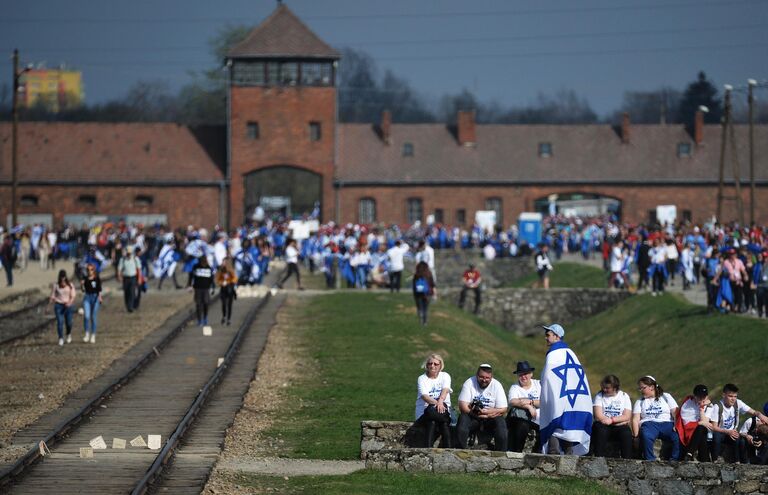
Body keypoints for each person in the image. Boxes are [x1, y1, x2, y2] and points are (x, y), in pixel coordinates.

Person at [539, 323, 592, 455]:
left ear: (556, 336)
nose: (545, 337)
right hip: (570, 395)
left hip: (560, 393)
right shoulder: (571, 353)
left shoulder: (554, 354)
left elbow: (548, 377)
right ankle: (567, 453)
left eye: (548, 335)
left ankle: (554, 453)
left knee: (555, 418)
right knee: (566, 422)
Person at [456, 364, 508, 451]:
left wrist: (486, 414)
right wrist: (476, 414)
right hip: (472, 415)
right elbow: (462, 406)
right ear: (477, 375)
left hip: (490, 417)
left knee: (501, 422)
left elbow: (503, 409)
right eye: (481, 377)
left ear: (491, 377)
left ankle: (501, 453)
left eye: (487, 378)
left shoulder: (497, 385)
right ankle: (459, 451)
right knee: (463, 419)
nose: (484, 380)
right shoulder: (469, 382)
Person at [711, 383, 768, 463]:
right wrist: (727, 431)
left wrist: (761, 416)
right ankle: (715, 460)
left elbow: (753, 411)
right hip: (721, 432)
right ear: (724, 395)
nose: (733, 399)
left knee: (740, 439)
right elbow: (714, 427)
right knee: (716, 436)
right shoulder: (717, 407)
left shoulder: (738, 403)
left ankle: (738, 462)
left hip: (732, 433)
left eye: (735, 396)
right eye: (730, 396)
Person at [631, 375, 680, 461]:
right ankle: (650, 459)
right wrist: (636, 436)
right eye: (640, 388)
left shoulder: (665, 396)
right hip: (649, 424)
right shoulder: (640, 401)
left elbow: (675, 412)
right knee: (646, 435)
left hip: (667, 423)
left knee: (676, 437)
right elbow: (635, 419)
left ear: (652, 387)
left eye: (643, 388)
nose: (641, 391)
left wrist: (676, 425)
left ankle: (674, 460)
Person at [414, 353, 452, 448]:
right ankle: (449, 447)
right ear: (427, 365)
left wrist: (440, 402)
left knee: (433, 421)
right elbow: (425, 396)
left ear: (441, 366)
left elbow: (445, 389)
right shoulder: (422, 378)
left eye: (436, 364)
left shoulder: (445, 376)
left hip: (442, 409)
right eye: (430, 363)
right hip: (425, 410)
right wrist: (437, 403)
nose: (432, 366)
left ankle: (428, 449)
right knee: (435, 415)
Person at [592, 374, 633, 459]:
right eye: (603, 387)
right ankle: (598, 458)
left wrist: (612, 420)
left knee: (626, 433)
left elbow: (627, 416)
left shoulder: (624, 396)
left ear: (615, 388)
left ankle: (627, 460)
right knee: (601, 430)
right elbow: (598, 415)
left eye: (607, 388)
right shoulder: (599, 396)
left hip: (618, 425)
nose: (604, 390)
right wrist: (614, 421)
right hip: (603, 424)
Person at [675, 384, 717, 462]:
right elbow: (686, 421)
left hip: (701, 431)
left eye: (704, 396)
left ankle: (690, 453)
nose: (701, 399)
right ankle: (705, 460)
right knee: (701, 430)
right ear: (694, 396)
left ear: (707, 396)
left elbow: (705, 422)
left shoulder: (709, 406)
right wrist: (700, 423)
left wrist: (701, 408)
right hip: (688, 431)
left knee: (702, 430)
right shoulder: (687, 404)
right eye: (699, 396)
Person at [506, 361, 541, 453]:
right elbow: (512, 401)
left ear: (531, 374)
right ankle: (517, 452)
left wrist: (530, 401)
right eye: (520, 374)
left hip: (539, 419)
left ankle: (537, 454)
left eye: (526, 374)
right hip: (522, 419)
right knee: (522, 426)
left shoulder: (539, 384)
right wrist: (529, 406)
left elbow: (545, 402)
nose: (523, 377)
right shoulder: (515, 387)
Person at [50, 269, 77, 346]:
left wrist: (69, 303)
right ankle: (60, 338)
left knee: (69, 322)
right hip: (59, 305)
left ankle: (68, 334)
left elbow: (73, 295)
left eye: (64, 276)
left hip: (68, 306)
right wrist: (52, 299)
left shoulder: (70, 285)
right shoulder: (56, 285)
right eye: (61, 276)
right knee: (60, 322)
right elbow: (53, 294)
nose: (62, 278)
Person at [80, 263, 103, 344]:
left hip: (95, 298)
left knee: (93, 317)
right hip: (87, 297)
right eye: (88, 270)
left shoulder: (97, 278)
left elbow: (99, 289)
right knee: (86, 316)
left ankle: (93, 335)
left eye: (91, 269)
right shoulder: (85, 279)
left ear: (94, 270)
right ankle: (87, 334)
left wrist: (100, 297)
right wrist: (82, 285)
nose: (90, 271)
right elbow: (83, 290)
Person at [191, 255, 215, 326]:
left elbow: (211, 279)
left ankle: (205, 317)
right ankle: (199, 320)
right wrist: (190, 285)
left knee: (206, 303)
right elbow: (192, 277)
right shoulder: (196, 267)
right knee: (198, 304)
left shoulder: (209, 268)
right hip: (198, 288)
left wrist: (213, 287)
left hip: (206, 288)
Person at [117, 246, 141, 312]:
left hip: (133, 277)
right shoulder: (123, 259)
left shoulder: (135, 259)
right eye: (128, 253)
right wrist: (119, 276)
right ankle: (127, 305)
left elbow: (138, 269)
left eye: (130, 253)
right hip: (125, 278)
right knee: (126, 292)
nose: (129, 254)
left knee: (132, 292)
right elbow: (119, 268)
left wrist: (139, 278)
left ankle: (130, 306)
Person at [412, 261, 436, 326]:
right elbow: (432, 284)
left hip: (418, 294)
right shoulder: (429, 273)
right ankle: (425, 322)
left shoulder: (416, 275)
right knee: (426, 308)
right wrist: (434, 294)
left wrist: (414, 295)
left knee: (420, 307)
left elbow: (414, 286)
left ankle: (420, 318)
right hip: (427, 294)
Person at [215, 257, 238, 325]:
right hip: (223, 289)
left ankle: (229, 319)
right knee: (224, 304)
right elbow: (217, 279)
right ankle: (224, 316)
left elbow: (235, 279)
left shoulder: (231, 271)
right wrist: (221, 283)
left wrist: (229, 282)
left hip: (230, 288)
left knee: (229, 305)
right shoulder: (220, 270)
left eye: (224, 262)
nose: (223, 263)